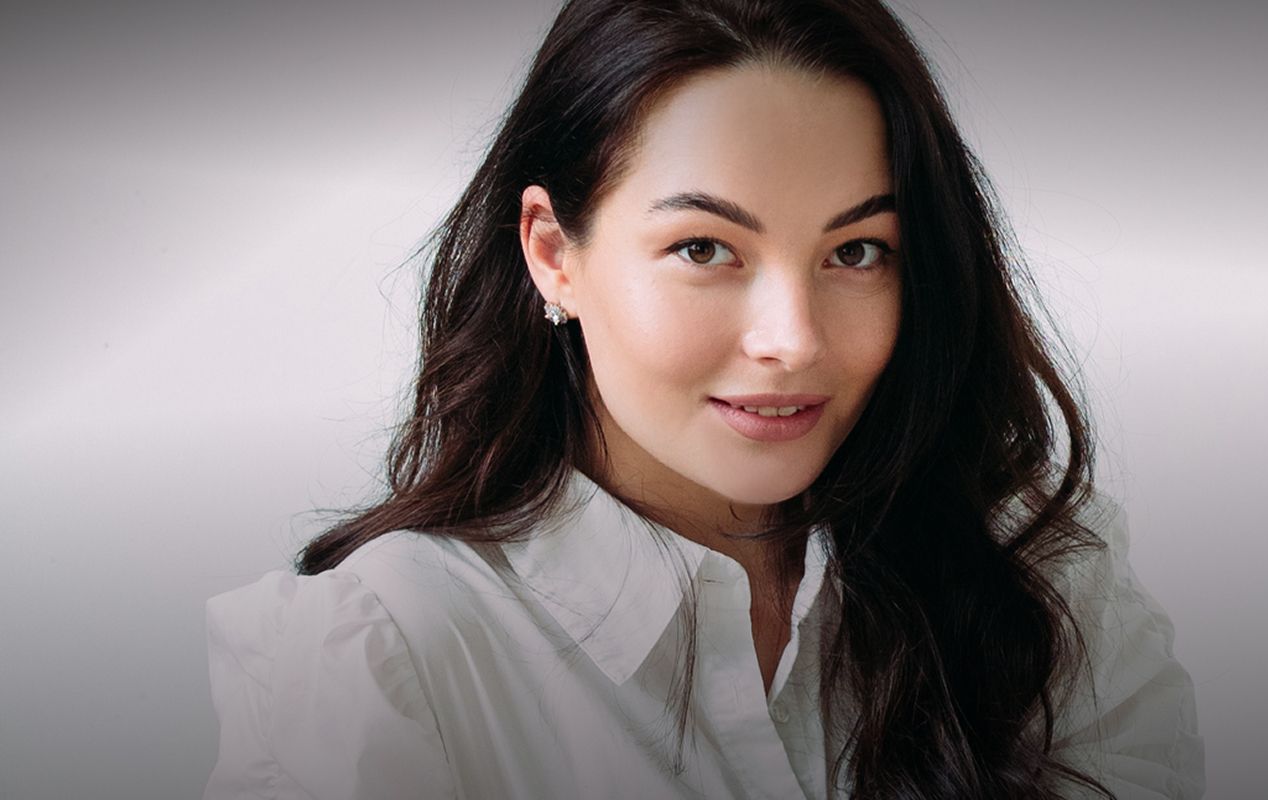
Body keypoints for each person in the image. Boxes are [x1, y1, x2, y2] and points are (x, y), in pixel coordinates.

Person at [202, 0, 1205, 797]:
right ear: (553, 253)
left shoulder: (1036, 576)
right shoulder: (386, 659)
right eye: (704, 249)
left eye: (855, 251)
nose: (794, 338)